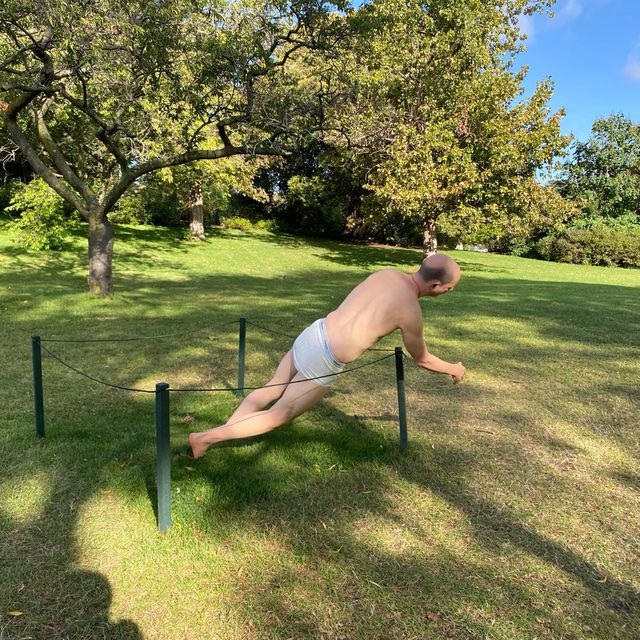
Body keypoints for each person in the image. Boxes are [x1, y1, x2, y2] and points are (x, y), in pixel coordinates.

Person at [189, 253, 465, 458]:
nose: (447, 293)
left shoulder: (386, 274)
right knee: (280, 413)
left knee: (271, 387)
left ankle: (226, 432)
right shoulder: (411, 312)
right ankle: (205, 439)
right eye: (449, 289)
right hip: (325, 357)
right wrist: (453, 368)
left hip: (314, 332)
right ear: (436, 285)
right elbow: (422, 358)